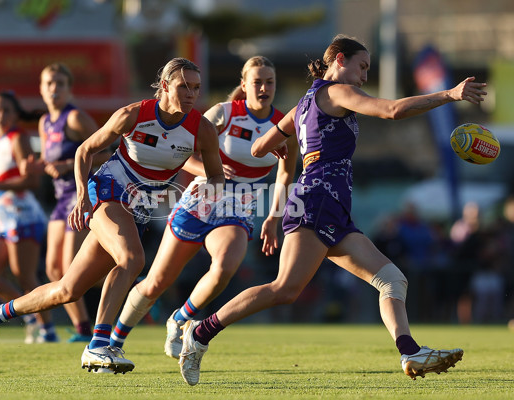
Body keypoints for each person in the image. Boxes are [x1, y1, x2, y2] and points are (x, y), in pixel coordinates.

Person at [177, 34, 488, 385]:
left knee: (391, 279)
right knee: (285, 289)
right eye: (363, 66)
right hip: (316, 199)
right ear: (339, 60)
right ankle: (199, 333)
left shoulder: (304, 101)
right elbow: (392, 110)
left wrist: (283, 145)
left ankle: (409, 351)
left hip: (332, 206)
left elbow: (259, 147)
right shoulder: (338, 91)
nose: (365, 76)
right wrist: (449, 94)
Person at [0, 58, 225, 374]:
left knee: (67, 290)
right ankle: (100, 345)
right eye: (184, 86)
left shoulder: (203, 129)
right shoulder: (134, 114)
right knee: (132, 259)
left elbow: (215, 177)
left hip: (137, 211)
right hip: (106, 191)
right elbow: (84, 151)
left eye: (196, 88)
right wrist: (81, 198)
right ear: (166, 86)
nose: (191, 94)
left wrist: (207, 195)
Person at [107, 56, 298, 362]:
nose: (264, 87)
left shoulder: (283, 125)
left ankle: (180, 319)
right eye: (257, 81)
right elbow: (183, 153)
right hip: (201, 199)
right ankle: (112, 340)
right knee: (156, 281)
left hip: (239, 207)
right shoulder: (223, 114)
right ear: (244, 85)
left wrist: (274, 218)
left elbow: (286, 175)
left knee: (225, 267)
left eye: (270, 81)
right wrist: (213, 172)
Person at [0, 91, 57, 344]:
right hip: (2, 218)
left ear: (15, 114)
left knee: (25, 276)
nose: (1, 115)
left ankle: (47, 331)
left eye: (7, 110)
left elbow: (31, 181)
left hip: (23, 216)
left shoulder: (17, 138)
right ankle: (29, 317)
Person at [32, 63, 102, 342]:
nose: (54, 89)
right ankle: (82, 328)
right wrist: (35, 166)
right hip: (60, 198)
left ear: (69, 89)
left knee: (71, 266)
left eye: (60, 83)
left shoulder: (76, 118)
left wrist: (66, 164)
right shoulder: (44, 123)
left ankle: (132, 283)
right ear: (41, 88)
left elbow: (107, 152)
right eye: (49, 83)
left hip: (81, 195)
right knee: (52, 269)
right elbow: (48, 161)